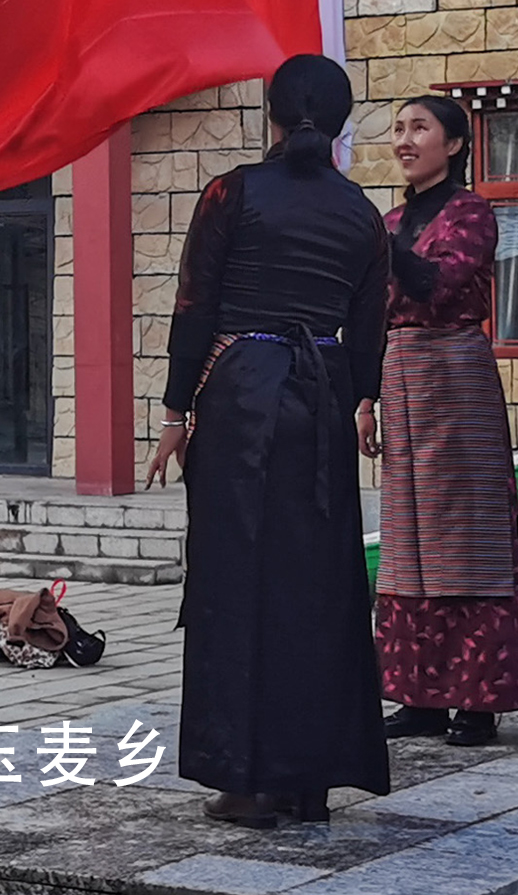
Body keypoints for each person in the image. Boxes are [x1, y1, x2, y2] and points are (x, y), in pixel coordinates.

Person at [148, 52, 390, 828]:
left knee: (239, 582)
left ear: (272, 113)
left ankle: (248, 780)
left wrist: (175, 412)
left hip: (244, 389)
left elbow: (194, 306)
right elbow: (370, 329)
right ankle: (308, 780)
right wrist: (361, 397)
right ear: (342, 121)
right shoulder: (361, 212)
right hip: (322, 394)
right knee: (318, 585)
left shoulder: (233, 191)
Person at [371, 92, 518, 744]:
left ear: (454, 144)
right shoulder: (392, 218)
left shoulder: (472, 212)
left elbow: (439, 283)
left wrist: (379, 243)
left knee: (466, 539)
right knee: (407, 541)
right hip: (399, 376)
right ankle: (419, 696)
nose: (404, 139)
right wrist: (364, 400)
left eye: (420, 128)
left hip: (455, 375)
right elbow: (371, 312)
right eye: (398, 128)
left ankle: (477, 701)